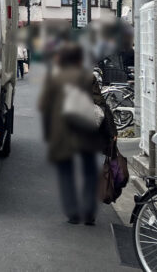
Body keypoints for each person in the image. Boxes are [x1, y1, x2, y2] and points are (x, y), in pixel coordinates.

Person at [38, 39, 114, 225]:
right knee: (89, 172)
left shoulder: (54, 79)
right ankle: (88, 213)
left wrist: (49, 133)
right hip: (86, 132)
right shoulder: (88, 77)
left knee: (66, 173)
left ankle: (73, 213)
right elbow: (100, 105)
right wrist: (109, 131)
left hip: (62, 135)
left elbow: (44, 106)